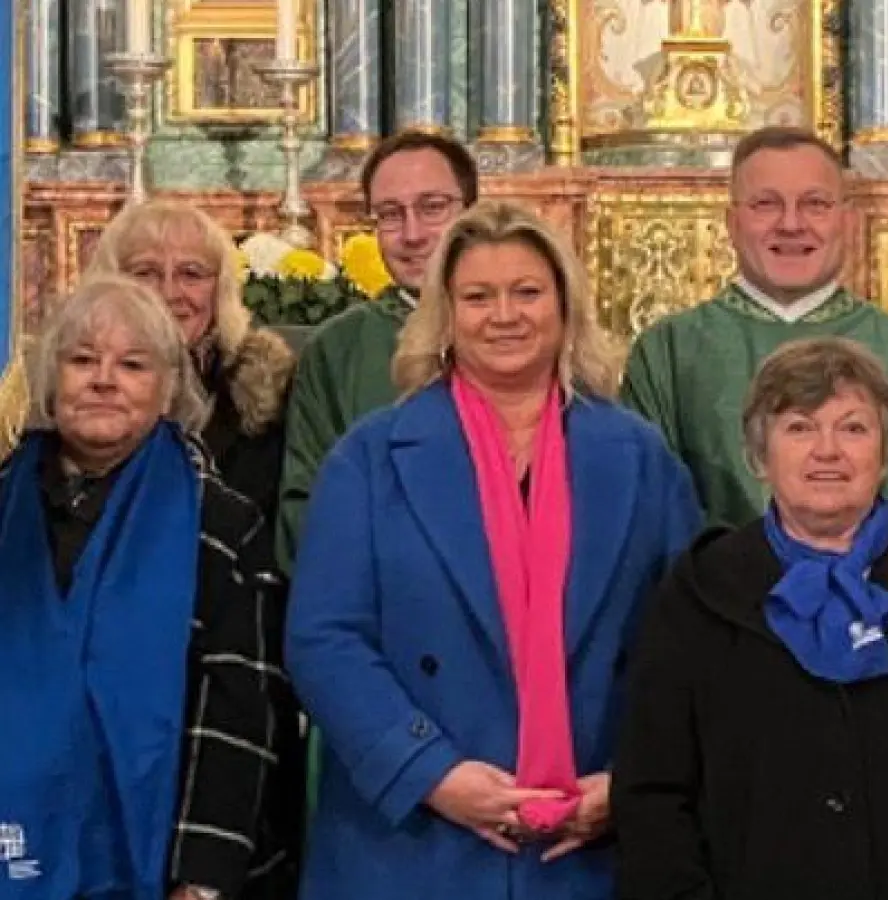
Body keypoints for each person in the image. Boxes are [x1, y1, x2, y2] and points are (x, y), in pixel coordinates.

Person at [286, 200, 702, 899]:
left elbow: (690, 643)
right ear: (445, 316)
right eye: (478, 297)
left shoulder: (638, 456)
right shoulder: (370, 456)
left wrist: (633, 778)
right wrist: (429, 773)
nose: (503, 315)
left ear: (565, 307)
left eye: (527, 292)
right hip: (411, 843)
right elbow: (325, 639)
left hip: (591, 845)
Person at [613, 337, 888, 900]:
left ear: (886, 449)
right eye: (799, 428)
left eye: (853, 428)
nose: (828, 451)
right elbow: (654, 795)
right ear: (759, 453)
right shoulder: (701, 592)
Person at [0, 275, 295, 900]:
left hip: (158, 865)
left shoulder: (220, 525)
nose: (104, 379)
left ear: (168, 389)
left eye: (132, 364)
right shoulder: (3, 502)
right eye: (82, 360)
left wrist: (202, 878)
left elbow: (237, 715)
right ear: (51, 381)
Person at [621, 126, 888, 532]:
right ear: (731, 223)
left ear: (846, 221)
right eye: (766, 204)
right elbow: (651, 509)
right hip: (713, 591)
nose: (790, 224)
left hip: (881, 592)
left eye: (815, 204)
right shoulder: (668, 352)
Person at [276, 130, 479, 570]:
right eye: (389, 214)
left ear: (473, 213)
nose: (412, 233)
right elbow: (306, 505)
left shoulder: (517, 329)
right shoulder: (338, 348)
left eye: (432, 208)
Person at [88, 198, 295, 524]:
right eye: (145, 273)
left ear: (221, 289)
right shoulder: (81, 391)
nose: (169, 293)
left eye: (191, 274)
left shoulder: (268, 398)